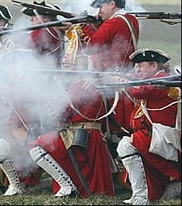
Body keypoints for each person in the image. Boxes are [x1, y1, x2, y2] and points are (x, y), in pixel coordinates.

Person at [27, 76, 116, 198]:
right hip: (86, 134)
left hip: (83, 134)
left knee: (36, 147)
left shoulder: (81, 84)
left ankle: (67, 186)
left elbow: (61, 112)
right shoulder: (85, 84)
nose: (65, 66)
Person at [114, 49, 181, 205]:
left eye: (141, 65)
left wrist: (126, 83)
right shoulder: (151, 80)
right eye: (135, 66)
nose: (137, 69)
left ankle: (141, 198)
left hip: (162, 138)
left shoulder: (163, 79)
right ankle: (147, 194)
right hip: (152, 137)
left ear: (154, 65)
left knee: (126, 146)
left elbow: (144, 91)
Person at [21, 0, 65, 69]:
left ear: (45, 19)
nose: (31, 19)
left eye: (34, 15)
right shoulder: (53, 30)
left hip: (44, 72)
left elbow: (25, 45)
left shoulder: (45, 31)